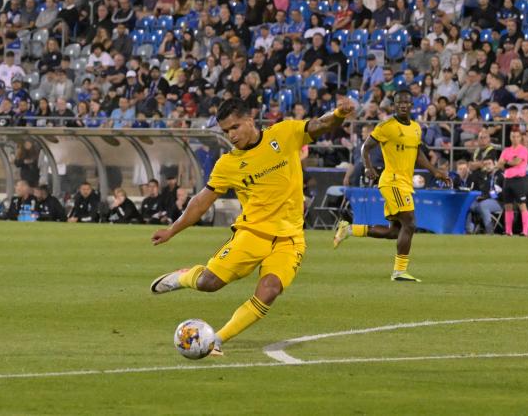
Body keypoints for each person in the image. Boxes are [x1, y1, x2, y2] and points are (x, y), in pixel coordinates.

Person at [149, 97, 355, 355]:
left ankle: (216, 340)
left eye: (235, 127)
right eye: (225, 131)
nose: (231, 136)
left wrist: (339, 113)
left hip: (290, 239)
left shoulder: (284, 133)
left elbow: (320, 125)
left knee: (269, 291)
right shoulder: (228, 164)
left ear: (250, 120)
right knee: (208, 284)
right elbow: (201, 202)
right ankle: (183, 276)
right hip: (252, 234)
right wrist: (172, 230)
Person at [333, 90, 451, 282]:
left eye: (406, 102)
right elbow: (366, 147)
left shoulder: (415, 128)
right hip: (392, 181)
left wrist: (434, 171)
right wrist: (368, 167)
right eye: (399, 103)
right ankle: (399, 272)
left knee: (395, 231)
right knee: (410, 223)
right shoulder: (387, 126)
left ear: (411, 105)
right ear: (395, 105)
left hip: (404, 183)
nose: (403, 105)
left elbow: (417, 154)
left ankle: (349, 229)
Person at [497, 130, 528, 236]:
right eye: (513, 136)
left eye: (517, 136)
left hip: (518, 180)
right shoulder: (506, 150)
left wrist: (506, 162)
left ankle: (525, 231)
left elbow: (517, 162)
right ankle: (508, 231)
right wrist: (510, 162)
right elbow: (499, 164)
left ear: (520, 138)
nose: (515, 139)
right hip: (507, 180)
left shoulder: (523, 150)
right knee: (508, 206)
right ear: (510, 138)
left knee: (522, 205)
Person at [466, 158, 504, 234]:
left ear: (495, 164)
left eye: (489, 163)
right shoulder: (486, 177)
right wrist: (482, 197)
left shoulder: (501, 176)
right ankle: (469, 229)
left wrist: (487, 197)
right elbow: (485, 192)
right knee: (467, 204)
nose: (487, 166)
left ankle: (489, 231)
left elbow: (503, 194)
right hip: (486, 200)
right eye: (485, 164)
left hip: (500, 202)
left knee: (483, 205)